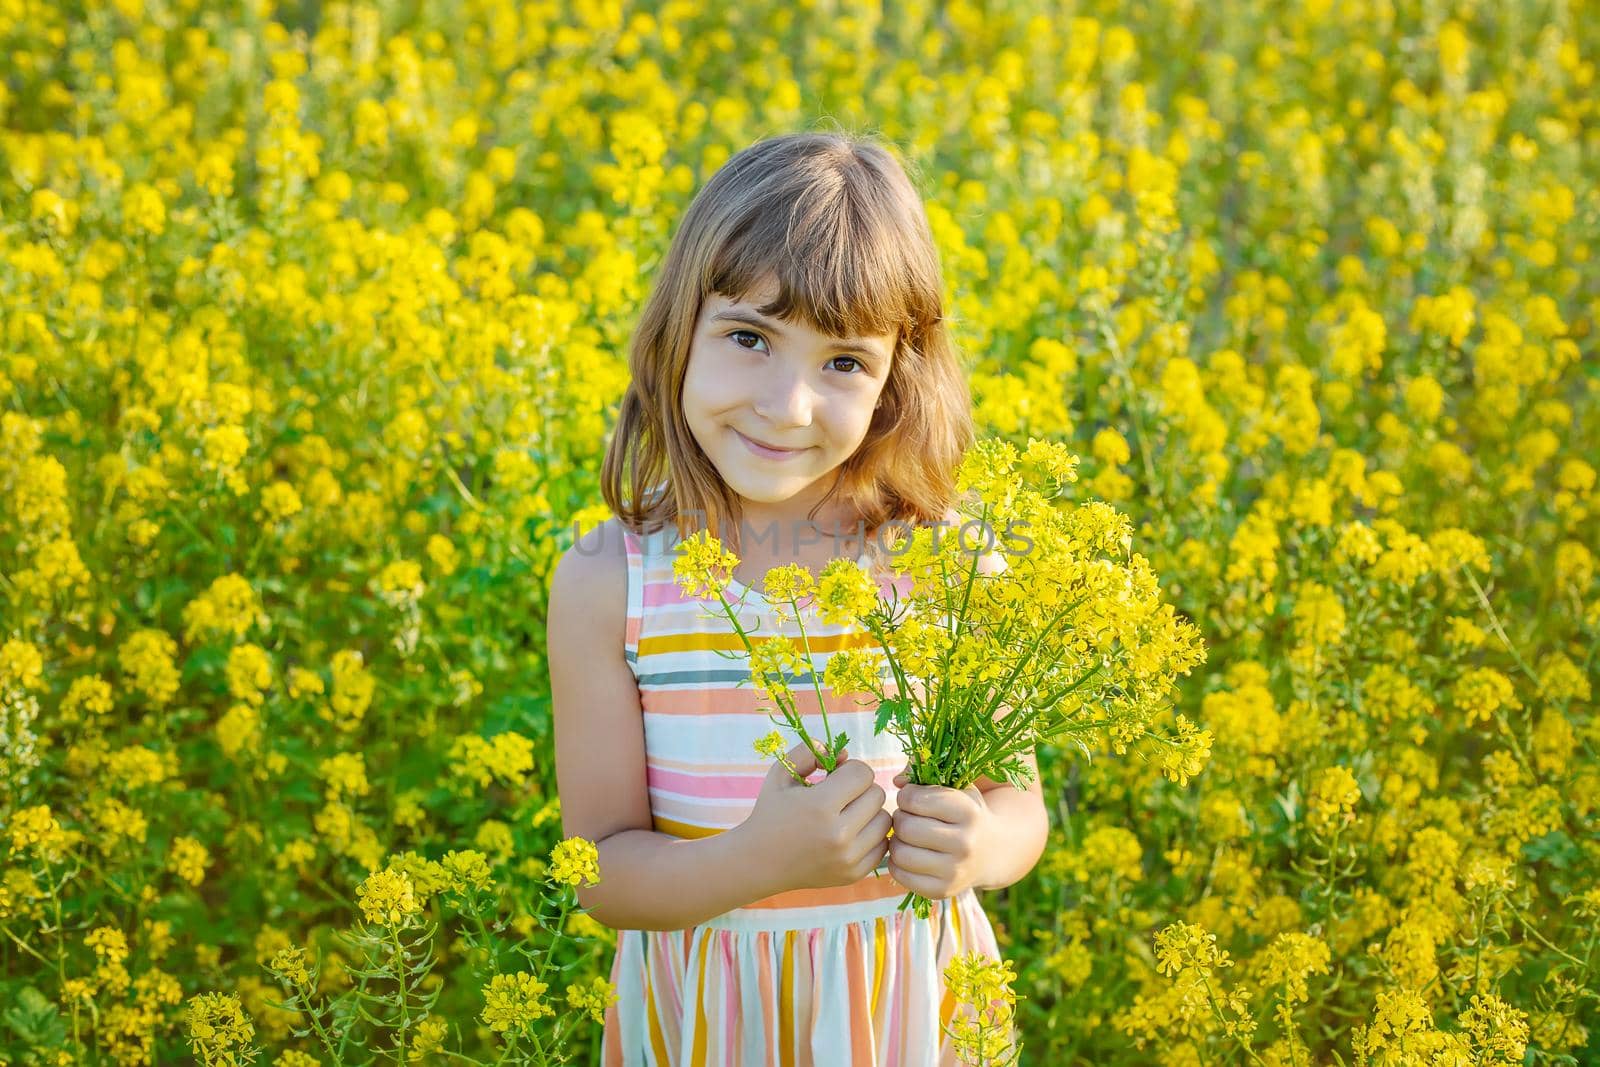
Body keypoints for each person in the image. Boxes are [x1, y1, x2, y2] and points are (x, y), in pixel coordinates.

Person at [548, 130, 1048, 1065]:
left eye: (843, 363)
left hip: (904, 1015)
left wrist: (978, 847)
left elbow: (1019, 805)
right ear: (679, 332)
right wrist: (758, 862)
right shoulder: (609, 583)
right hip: (709, 1023)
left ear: (896, 378)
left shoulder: (951, 568)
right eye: (749, 338)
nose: (787, 405)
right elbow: (601, 870)